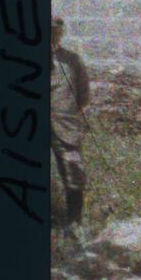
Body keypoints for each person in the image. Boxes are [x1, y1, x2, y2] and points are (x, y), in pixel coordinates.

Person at [50, 17, 93, 236]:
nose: (51, 37)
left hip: (65, 127)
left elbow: (84, 96)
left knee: (74, 175)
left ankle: (74, 224)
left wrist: (64, 112)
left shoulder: (72, 61)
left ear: (61, 34)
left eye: (55, 33)